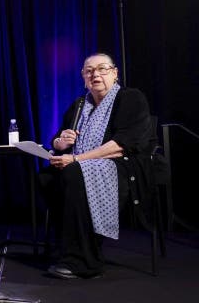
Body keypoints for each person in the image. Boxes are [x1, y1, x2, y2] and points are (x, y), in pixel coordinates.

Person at [40, 53, 154, 279]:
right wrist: (59, 142)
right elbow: (57, 139)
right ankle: (67, 246)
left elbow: (123, 144)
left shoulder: (130, 98)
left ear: (114, 73)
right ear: (83, 76)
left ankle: (85, 261)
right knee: (46, 176)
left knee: (74, 173)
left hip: (122, 166)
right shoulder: (79, 105)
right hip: (80, 165)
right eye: (89, 70)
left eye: (102, 69)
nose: (96, 74)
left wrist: (76, 159)